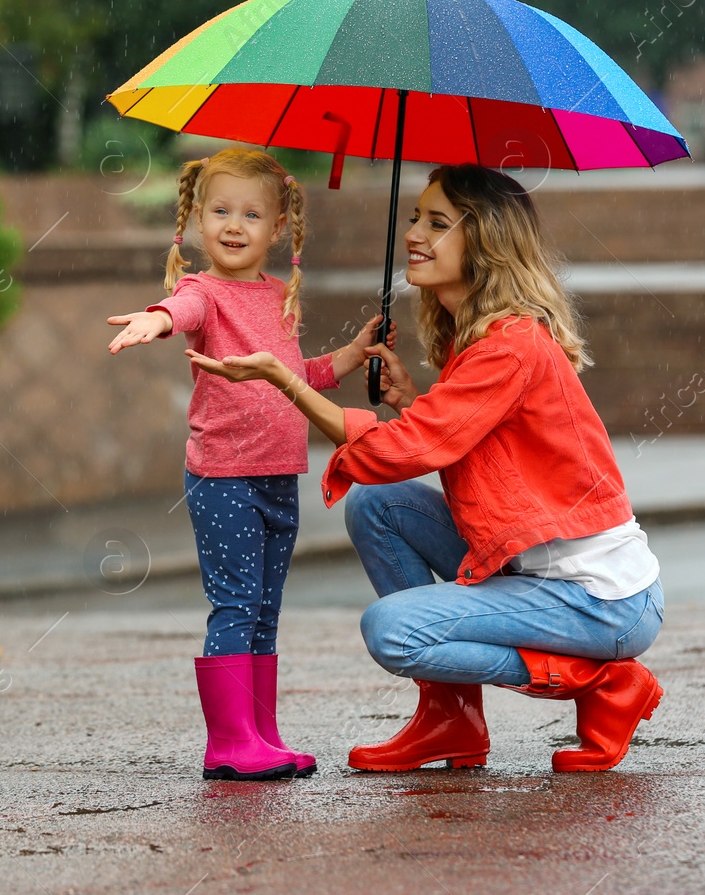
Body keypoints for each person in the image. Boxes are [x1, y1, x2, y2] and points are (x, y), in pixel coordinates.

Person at [186, 163, 664, 774]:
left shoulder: (509, 344)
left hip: (599, 601)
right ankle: (451, 721)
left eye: (437, 223)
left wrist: (286, 381)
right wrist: (411, 402)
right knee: (376, 505)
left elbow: (403, 451)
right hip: (530, 565)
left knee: (394, 632)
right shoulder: (481, 337)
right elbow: (469, 445)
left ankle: (601, 682)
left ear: (485, 243)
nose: (414, 232)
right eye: (415, 217)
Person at [106, 148, 391, 781]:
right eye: (221, 211)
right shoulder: (202, 291)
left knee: (265, 608)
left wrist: (349, 354)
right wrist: (155, 319)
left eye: (252, 213)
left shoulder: (275, 297)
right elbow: (181, 311)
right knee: (235, 605)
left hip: (275, 475)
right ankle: (228, 742)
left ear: (279, 226)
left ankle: (261, 732)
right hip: (223, 476)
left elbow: (298, 379)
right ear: (196, 219)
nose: (234, 225)